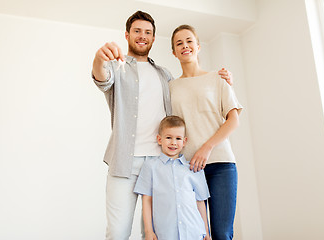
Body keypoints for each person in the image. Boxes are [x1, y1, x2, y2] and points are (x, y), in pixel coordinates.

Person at [91, 10, 233, 239]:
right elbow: (102, 79)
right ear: (127, 35)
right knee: (117, 232)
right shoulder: (116, 67)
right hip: (124, 163)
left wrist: (223, 80)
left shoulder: (165, 75)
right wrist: (99, 58)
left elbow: (189, 94)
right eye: (137, 31)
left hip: (160, 163)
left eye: (148, 32)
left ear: (154, 39)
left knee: (156, 232)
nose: (142, 36)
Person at [169, 25, 243, 240]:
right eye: (179, 43)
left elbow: (233, 120)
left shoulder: (218, 78)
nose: (185, 46)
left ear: (198, 46)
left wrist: (206, 147)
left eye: (189, 41)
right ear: (173, 52)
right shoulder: (171, 87)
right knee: (197, 235)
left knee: (222, 234)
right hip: (189, 169)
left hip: (221, 165)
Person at [134, 116, 211, 240]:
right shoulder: (150, 166)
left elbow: (200, 202)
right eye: (168, 137)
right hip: (165, 233)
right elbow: (147, 200)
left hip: (194, 232)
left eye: (178, 138)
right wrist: (148, 231)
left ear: (184, 141)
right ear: (159, 139)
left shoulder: (193, 168)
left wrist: (207, 232)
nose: (173, 142)